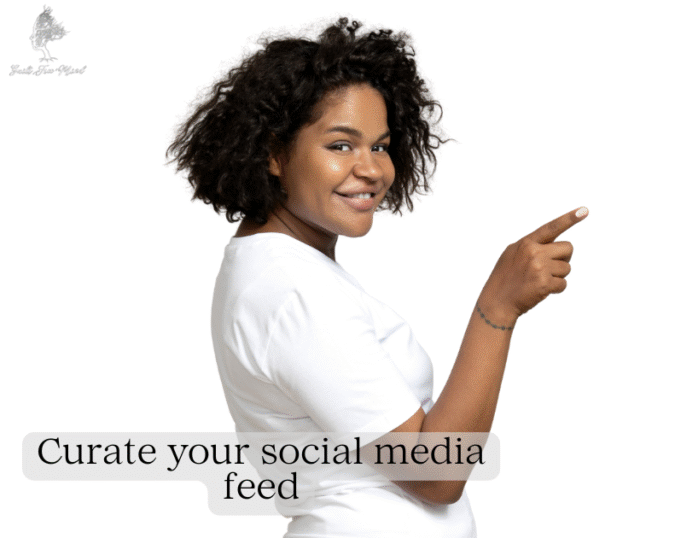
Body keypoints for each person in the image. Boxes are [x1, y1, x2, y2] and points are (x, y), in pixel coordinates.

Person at [167, 18, 586, 537]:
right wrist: (497, 309)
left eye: (381, 146)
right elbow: (435, 471)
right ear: (274, 153)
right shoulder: (292, 289)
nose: (372, 170)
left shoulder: (284, 268)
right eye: (340, 146)